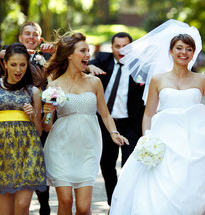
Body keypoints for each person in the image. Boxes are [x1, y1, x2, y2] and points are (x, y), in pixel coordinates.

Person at [109, 19, 205, 214]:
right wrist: (147, 139)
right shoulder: (158, 79)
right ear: (170, 51)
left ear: (193, 53)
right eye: (179, 48)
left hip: (197, 140)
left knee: (198, 187)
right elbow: (149, 113)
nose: (184, 53)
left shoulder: (202, 79)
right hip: (165, 139)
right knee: (164, 186)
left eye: (188, 49)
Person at [41, 32, 129, 214]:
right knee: (65, 202)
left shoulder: (94, 82)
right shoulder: (54, 86)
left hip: (88, 148)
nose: (88, 55)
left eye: (88, 51)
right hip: (61, 147)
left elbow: (105, 114)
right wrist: (47, 112)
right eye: (83, 51)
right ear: (70, 55)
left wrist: (114, 133)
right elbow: (47, 126)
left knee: (83, 208)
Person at [86, 32, 145, 206]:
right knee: (107, 166)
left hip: (130, 124)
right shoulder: (103, 59)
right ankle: (114, 203)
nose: (121, 50)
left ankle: (127, 203)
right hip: (106, 123)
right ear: (112, 48)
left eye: (125, 46)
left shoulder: (140, 67)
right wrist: (89, 67)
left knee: (129, 166)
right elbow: (83, 64)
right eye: (117, 46)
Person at [0, 43, 46, 214]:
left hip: (28, 150)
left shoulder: (33, 91)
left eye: (23, 64)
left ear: (28, 65)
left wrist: (34, 114)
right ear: (4, 64)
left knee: (22, 205)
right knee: (5, 211)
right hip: (3, 152)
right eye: (13, 64)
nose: (18, 69)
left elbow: (39, 131)